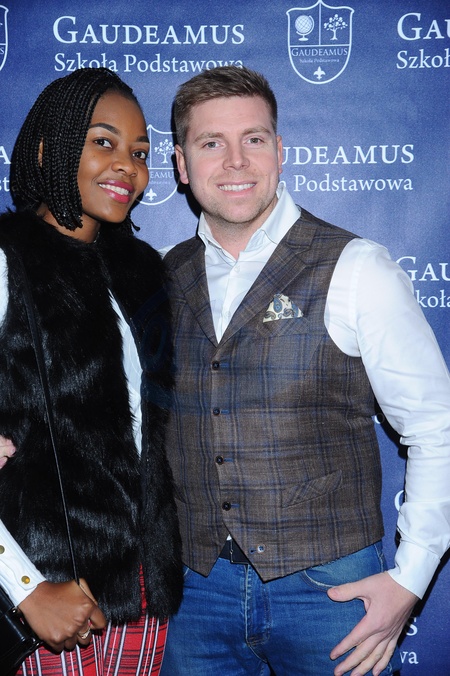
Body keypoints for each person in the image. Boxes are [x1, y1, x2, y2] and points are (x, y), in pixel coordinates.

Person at [159, 65, 450, 676]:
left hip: (333, 592)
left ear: (280, 149)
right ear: (182, 165)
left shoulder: (358, 267)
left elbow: (437, 428)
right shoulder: (159, 274)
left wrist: (412, 577)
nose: (236, 161)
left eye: (254, 138)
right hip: (193, 593)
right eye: (211, 143)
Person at [0, 67, 182, 676]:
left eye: (140, 152)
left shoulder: (145, 272)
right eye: (104, 142)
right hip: (42, 601)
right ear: (48, 150)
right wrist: (26, 589)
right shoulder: (6, 258)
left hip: (141, 598)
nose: (127, 166)